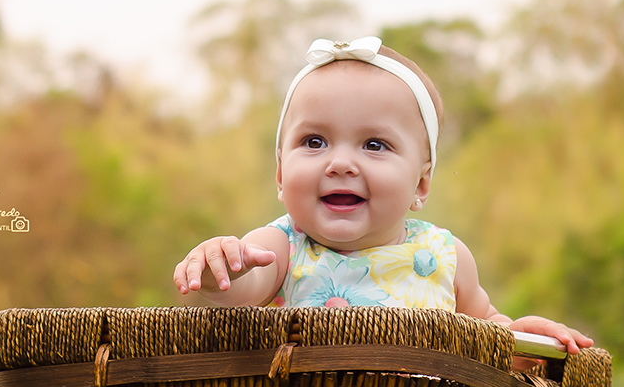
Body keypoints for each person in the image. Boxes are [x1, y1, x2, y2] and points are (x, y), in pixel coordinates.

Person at [173, 36, 593, 356]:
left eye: (374, 145)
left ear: (421, 185)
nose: (340, 163)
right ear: (281, 173)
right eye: (315, 141)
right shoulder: (283, 246)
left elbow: (486, 332)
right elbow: (243, 289)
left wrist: (520, 343)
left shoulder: (446, 257)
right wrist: (221, 270)